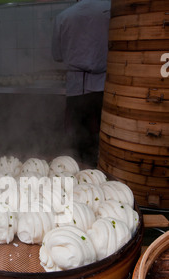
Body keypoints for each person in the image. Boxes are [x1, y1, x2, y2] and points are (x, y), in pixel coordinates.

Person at [52, 0, 110, 167]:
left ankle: (82, 175)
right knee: (106, 139)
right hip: (105, 87)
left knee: (80, 139)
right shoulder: (110, 11)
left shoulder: (63, 17)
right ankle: (105, 178)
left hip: (77, 90)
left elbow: (57, 55)